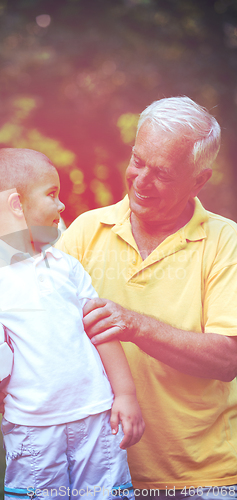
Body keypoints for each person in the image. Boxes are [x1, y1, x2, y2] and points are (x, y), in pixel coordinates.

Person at [0, 148, 145, 500]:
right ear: (17, 205)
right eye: (52, 194)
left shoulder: (67, 267)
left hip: (96, 417)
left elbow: (101, 330)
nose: (62, 206)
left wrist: (125, 394)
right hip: (33, 429)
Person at [56, 97, 237, 499]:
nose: (141, 180)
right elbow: (39, 314)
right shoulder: (87, 231)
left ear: (198, 181)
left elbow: (228, 359)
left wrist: (134, 324)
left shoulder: (227, 243)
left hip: (203, 480)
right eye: (138, 161)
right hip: (98, 471)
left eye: (162, 174)